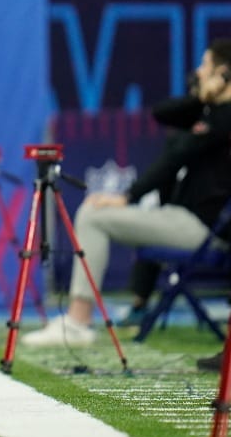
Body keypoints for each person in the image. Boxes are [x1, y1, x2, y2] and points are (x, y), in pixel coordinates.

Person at [22, 39, 231, 347]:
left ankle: (79, 321)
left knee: (93, 217)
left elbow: (175, 156)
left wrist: (128, 196)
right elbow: (163, 113)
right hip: (183, 218)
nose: (198, 72)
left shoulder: (225, 118)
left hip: (202, 229)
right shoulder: (212, 111)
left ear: (223, 73)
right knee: (93, 212)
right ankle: (82, 317)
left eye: (205, 66)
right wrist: (203, 98)